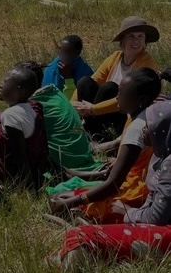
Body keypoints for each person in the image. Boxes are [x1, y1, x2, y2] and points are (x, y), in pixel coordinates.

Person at [55, 101, 171, 270]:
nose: (143, 128)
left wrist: (127, 212)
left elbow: (156, 218)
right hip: (152, 222)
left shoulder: (169, 164)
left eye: (149, 124)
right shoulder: (160, 155)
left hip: (164, 233)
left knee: (81, 235)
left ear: (163, 129)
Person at [50, 68, 165, 223]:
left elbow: (113, 184)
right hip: (146, 189)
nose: (117, 97)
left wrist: (77, 200)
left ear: (141, 100)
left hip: (133, 195)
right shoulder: (151, 116)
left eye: (123, 93)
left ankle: (86, 220)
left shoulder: (137, 128)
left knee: (59, 196)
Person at [72, 16, 159, 140]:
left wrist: (93, 109)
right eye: (131, 36)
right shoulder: (116, 57)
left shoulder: (147, 64)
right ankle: (83, 124)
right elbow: (95, 79)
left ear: (145, 41)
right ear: (122, 40)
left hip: (127, 112)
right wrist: (72, 104)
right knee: (85, 82)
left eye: (140, 36)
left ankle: (91, 132)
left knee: (110, 88)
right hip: (100, 112)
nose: (136, 41)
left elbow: (128, 98)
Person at [18, 61, 99, 171]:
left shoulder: (32, 105)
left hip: (65, 165)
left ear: (21, 86)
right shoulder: (54, 92)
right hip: (82, 156)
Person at [0, 67, 50, 190]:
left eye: (5, 82)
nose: (0, 85)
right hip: (35, 172)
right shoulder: (31, 107)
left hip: (12, 181)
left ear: (18, 90)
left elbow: (21, 160)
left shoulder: (11, 115)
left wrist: (31, 193)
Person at [42, 35, 93, 99]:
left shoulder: (86, 73)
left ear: (78, 52)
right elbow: (45, 95)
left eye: (67, 51)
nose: (63, 54)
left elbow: (73, 102)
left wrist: (68, 77)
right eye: (61, 50)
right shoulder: (51, 68)